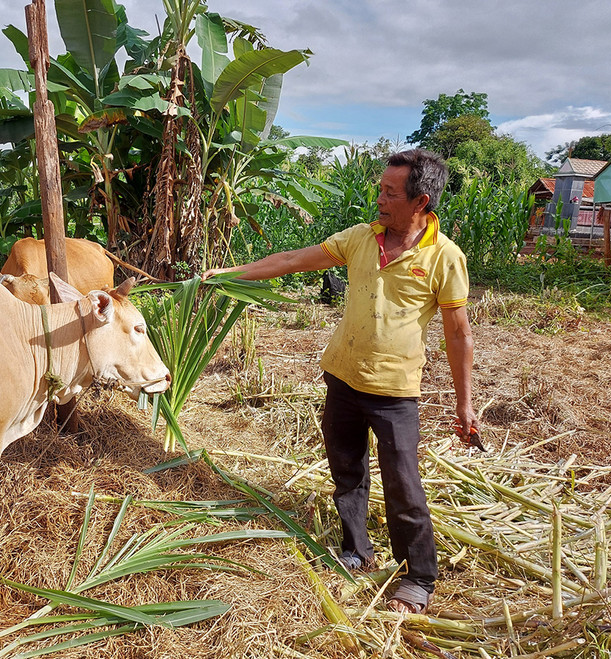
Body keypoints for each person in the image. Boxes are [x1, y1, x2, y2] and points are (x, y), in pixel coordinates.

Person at [203, 149, 479, 614]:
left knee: (404, 486)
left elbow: (458, 334)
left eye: (390, 193)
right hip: (343, 378)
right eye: (380, 189)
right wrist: (230, 272)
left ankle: (418, 576)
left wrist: (464, 405)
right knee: (347, 471)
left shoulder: (444, 257)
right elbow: (292, 259)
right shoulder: (359, 239)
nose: (380, 199)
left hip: (395, 392)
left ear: (421, 201)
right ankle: (357, 550)